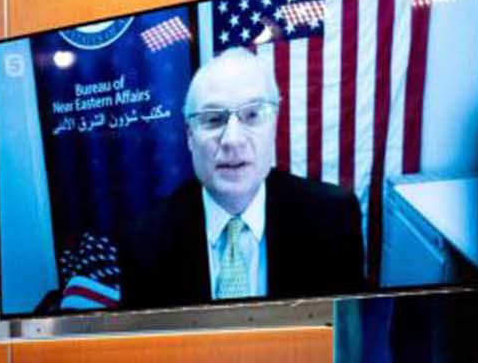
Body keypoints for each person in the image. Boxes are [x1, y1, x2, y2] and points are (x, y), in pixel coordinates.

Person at [119, 47, 365, 310]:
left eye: (253, 115)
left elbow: (342, 337)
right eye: (213, 119)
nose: (233, 140)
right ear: (190, 136)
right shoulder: (144, 240)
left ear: (274, 125)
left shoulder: (334, 217)